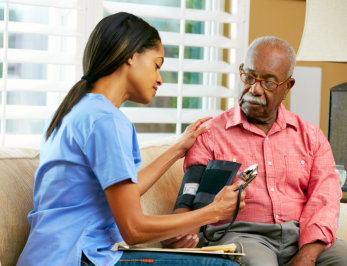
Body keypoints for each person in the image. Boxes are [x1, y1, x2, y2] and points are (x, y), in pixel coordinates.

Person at [17, 12, 246, 266]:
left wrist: (177, 149)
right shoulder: (106, 120)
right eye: (157, 65)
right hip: (78, 258)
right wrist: (212, 212)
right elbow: (133, 229)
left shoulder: (75, 111)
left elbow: (126, 192)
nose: (159, 78)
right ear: (131, 55)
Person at [165, 36, 347, 266]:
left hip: (302, 236)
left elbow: (325, 200)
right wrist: (178, 231)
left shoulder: (311, 137)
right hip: (243, 237)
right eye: (249, 77)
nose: (255, 89)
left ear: (287, 87)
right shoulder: (210, 135)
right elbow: (188, 200)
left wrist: (307, 256)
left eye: (269, 83)